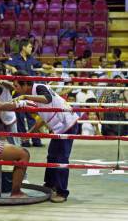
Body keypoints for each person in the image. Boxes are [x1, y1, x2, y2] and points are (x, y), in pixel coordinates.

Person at [13, 70, 79, 203]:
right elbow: (43, 117)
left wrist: (25, 97)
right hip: (58, 127)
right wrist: (30, 133)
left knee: (61, 159)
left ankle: (62, 192)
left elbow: (47, 98)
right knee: (52, 156)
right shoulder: (34, 94)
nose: (16, 89)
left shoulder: (39, 88)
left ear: (25, 84)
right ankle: (50, 185)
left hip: (68, 124)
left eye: (17, 86)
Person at [4, 38, 52, 147]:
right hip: (19, 90)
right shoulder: (15, 58)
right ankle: (24, 141)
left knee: (32, 114)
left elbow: (40, 65)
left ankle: (36, 140)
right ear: (24, 47)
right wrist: (11, 67)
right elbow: (5, 65)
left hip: (30, 91)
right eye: (30, 47)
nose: (31, 48)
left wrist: (50, 67)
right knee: (20, 116)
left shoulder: (31, 59)